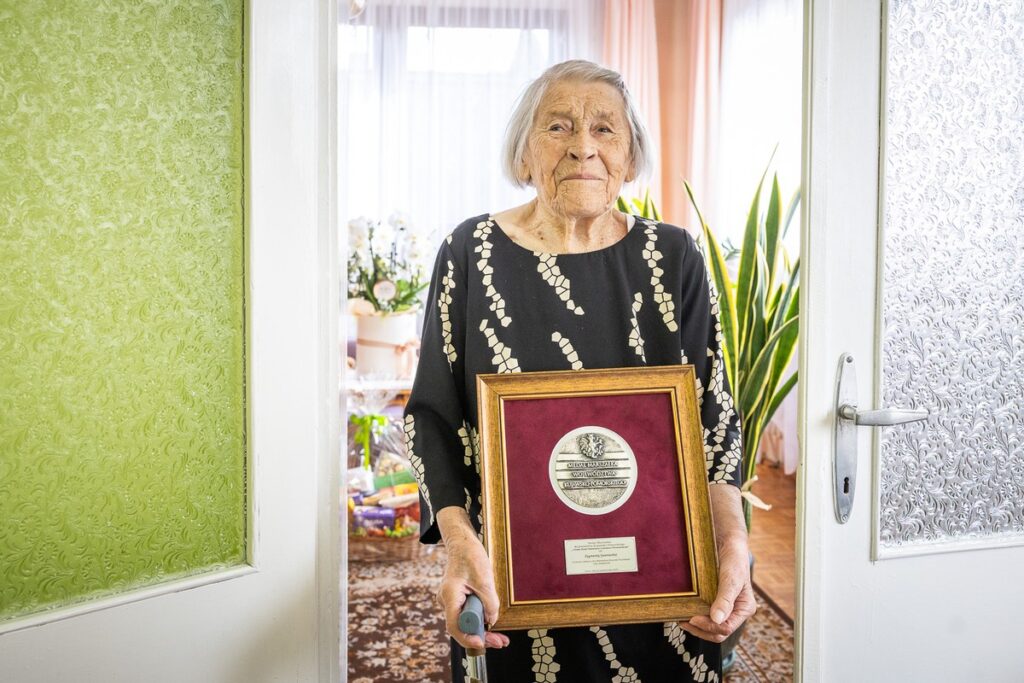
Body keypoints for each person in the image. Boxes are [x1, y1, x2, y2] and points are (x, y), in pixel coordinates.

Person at [403, 59, 754, 682]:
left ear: (629, 157)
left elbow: (715, 418)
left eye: (604, 130)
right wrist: (458, 545)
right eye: (558, 127)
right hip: (513, 582)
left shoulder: (672, 257)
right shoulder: (470, 251)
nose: (583, 147)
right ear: (523, 155)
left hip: (664, 586)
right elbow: (432, 416)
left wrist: (732, 545)